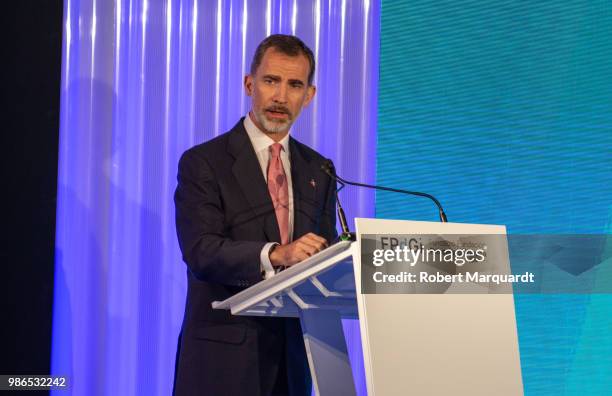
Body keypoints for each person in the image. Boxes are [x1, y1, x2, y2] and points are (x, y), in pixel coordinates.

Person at [173, 34, 338, 396]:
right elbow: (202, 251)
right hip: (222, 363)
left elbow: (326, 257)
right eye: (270, 81)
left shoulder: (319, 170)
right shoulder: (205, 162)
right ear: (250, 84)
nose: (281, 96)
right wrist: (276, 254)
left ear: (309, 96)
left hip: (293, 363)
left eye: (295, 84)